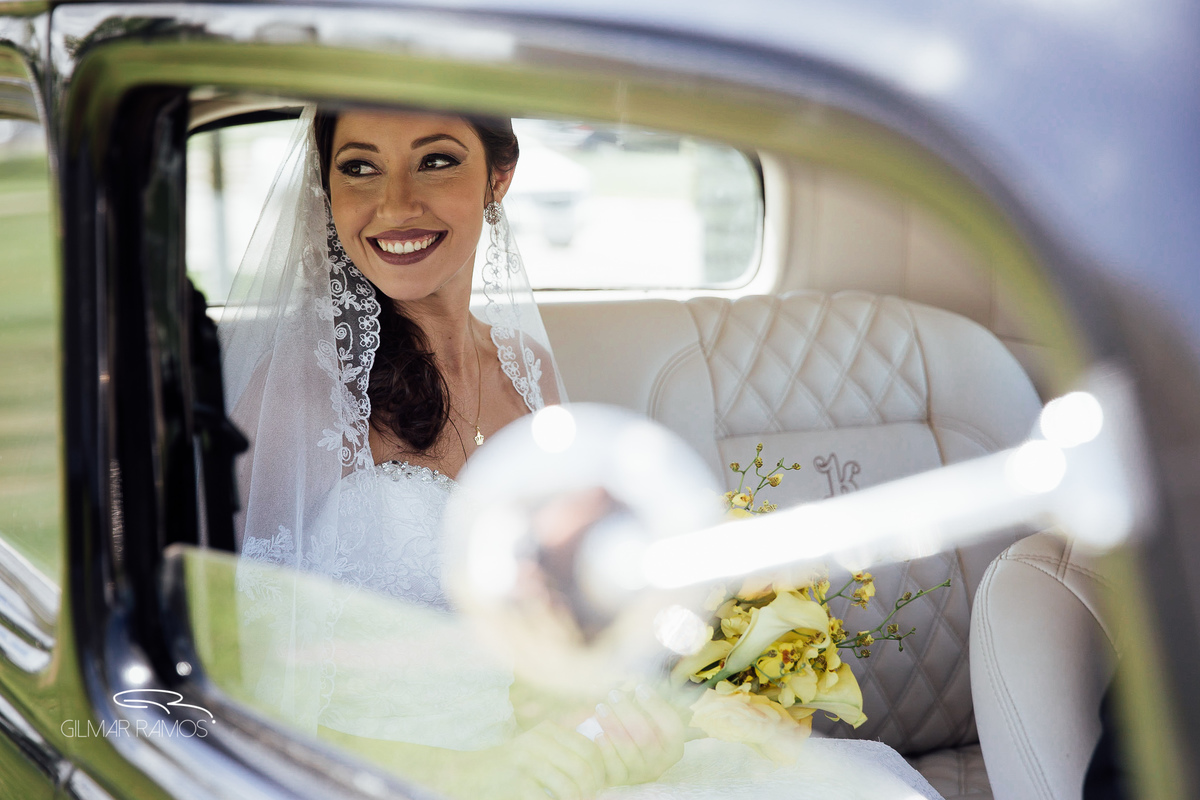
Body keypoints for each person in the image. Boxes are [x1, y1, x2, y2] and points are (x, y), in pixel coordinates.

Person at [221, 105, 943, 800]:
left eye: (436, 161)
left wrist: (614, 721)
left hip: (548, 766)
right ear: (328, 193)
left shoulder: (527, 371)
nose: (396, 203)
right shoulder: (297, 396)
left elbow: (560, 632)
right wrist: (467, 778)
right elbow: (236, 690)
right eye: (359, 168)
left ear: (498, 177)